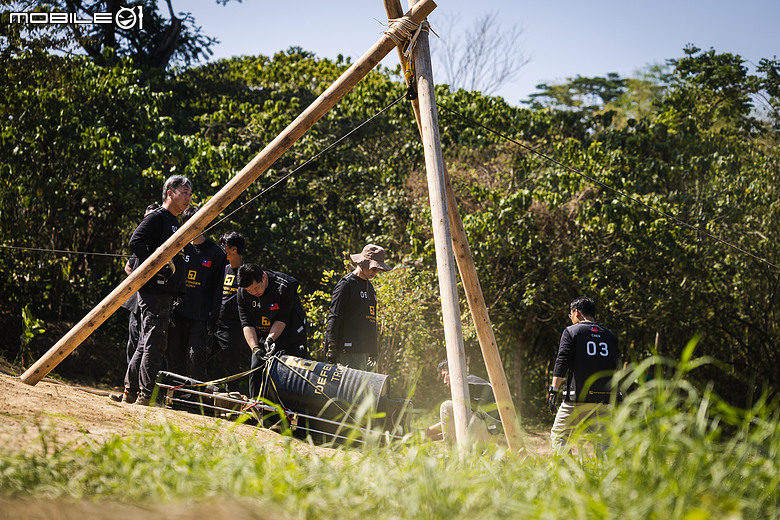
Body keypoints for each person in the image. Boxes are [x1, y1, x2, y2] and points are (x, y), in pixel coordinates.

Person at [121, 175, 192, 406]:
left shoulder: (173, 220)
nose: (188, 198)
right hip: (155, 290)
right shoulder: (158, 217)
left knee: (145, 342)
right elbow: (136, 241)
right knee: (155, 342)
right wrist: (157, 265)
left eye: (190, 194)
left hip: (163, 292)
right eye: (184, 193)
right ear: (169, 193)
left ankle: (131, 393)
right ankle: (146, 395)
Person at [547, 296, 619, 454]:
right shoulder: (610, 336)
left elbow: (562, 361)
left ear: (577, 312)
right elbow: (614, 367)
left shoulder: (571, 332)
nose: (571, 318)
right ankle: (606, 475)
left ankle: (568, 472)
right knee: (603, 440)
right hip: (604, 398)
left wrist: (554, 390)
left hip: (577, 398)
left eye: (570, 314)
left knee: (559, 434)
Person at [166, 206, 227, 381]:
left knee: (195, 358)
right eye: (186, 224)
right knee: (175, 356)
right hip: (178, 312)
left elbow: (218, 289)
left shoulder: (216, 253)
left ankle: (195, 399)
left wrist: (214, 318)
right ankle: (176, 396)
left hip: (201, 315)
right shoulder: (179, 247)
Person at [236, 263, 309, 399]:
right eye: (250, 291)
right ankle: (255, 409)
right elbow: (247, 324)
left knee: (294, 376)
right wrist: (255, 348)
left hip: (290, 334)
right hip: (263, 336)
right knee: (256, 370)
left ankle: (292, 414)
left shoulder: (284, 286)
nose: (254, 293)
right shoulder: (242, 293)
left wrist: (271, 339)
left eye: (256, 288)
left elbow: (282, 319)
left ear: (263, 277)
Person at [324, 244, 391, 371]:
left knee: (364, 390)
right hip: (349, 350)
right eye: (373, 268)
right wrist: (331, 345)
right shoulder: (346, 285)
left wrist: (373, 349)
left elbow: (371, 320)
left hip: (364, 351)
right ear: (362, 263)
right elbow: (335, 315)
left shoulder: (370, 288)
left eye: (378, 269)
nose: (375, 272)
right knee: (352, 389)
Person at [425, 360, 502, 445]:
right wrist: (424, 437)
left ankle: (452, 456)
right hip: (493, 432)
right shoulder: (472, 381)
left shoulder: (467, 383)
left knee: (447, 407)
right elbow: (455, 427)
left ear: (453, 371)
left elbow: (460, 422)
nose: (444, 381)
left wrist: (426, 432)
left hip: (495, 434)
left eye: (445, 375)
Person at [213, 231, 250, 392]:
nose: (221, 249)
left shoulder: (247, 273)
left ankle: (232, 405)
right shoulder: (222, 269)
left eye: (224, 246)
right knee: (195, 357)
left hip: (233, 329)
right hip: (214, 324)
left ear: (233, 249)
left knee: (231, 368)